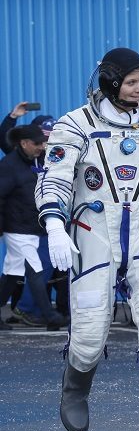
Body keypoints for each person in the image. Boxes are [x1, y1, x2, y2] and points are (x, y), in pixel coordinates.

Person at [35, 47, 139, 431]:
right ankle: (74, 391)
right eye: (131, 81)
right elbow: (53, 177)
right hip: (95, 228)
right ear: (111, 82)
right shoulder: (75, 125)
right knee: (90, 329)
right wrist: (55, 225)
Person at [0, 125, 68, 331]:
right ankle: (51, 316)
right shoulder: (9, 165)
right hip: (17, 228)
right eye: (38, 143)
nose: (42, 147)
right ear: (24, 143)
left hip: (30, 227)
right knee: (36, 271)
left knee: (13, 273)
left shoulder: (36, 160)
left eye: (44, 143)